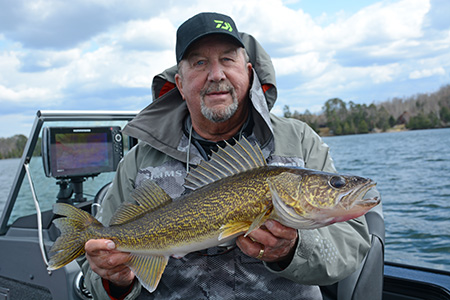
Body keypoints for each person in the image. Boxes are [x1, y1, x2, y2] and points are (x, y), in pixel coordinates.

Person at [78, 12, 377, 299]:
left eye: (227, 60)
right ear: (180, 84)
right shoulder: (138, 161)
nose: (216, 74)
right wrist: (114, 281)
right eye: (199, 62)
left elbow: (350, 247)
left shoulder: (299, 142)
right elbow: (97, 279)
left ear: (247, 73)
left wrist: (292, 249)